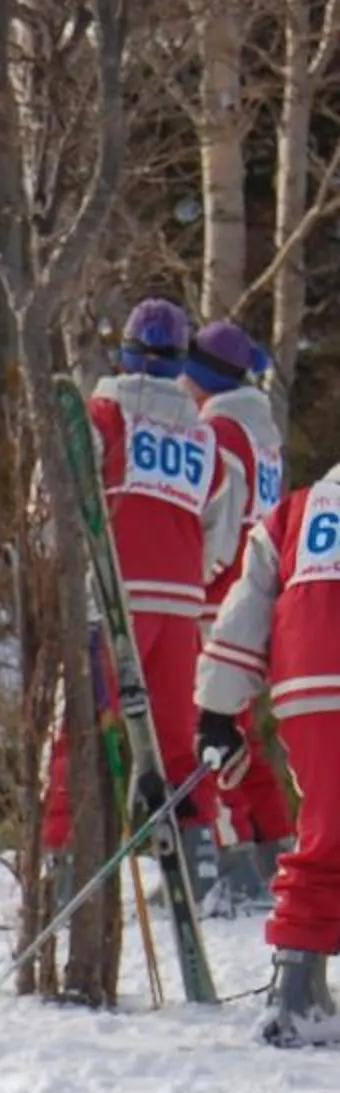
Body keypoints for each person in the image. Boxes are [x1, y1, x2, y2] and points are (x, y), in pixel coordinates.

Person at [46, 299, 239, 899]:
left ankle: (64, 861)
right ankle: (197, 852)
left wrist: (51, 557)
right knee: (177, 739)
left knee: (80, 728)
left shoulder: (100, 415)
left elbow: (56, 503)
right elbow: (221, 532)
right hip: (178, 606)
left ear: (123, 349)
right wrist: (191, 574)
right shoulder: (205, 438)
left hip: (110, 598)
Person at [199, 448, 340, 1046]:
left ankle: (298, 985)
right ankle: (297, 995)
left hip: (307, 690)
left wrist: (217, 708)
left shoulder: (299, 511)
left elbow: (246, 605)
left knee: (326, 832)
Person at [188, 319, 300, 909]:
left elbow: (221, 525)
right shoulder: (263, 433)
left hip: (223, 599)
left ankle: (232, 861)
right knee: (245, 734)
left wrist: (202, 577)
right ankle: (275, 846)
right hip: (261, 597)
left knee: (209, 728)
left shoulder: (220, 430)